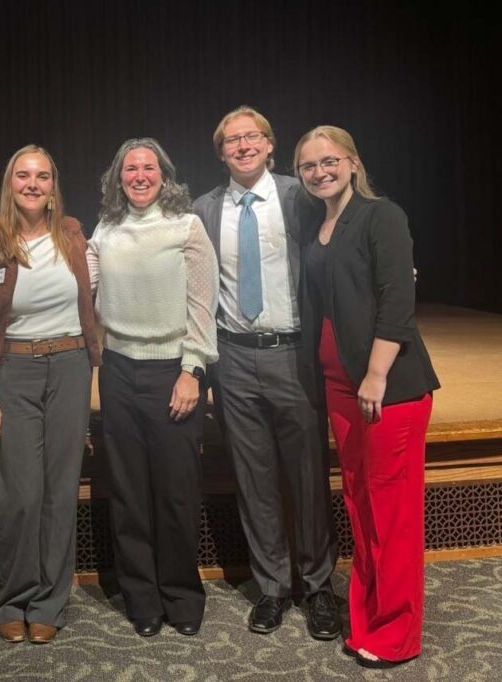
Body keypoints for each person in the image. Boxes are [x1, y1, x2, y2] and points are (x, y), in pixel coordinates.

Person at [191, 106, 341, 640]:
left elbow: (349, 228)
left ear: (271, 145)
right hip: (232, 358)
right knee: (253, 478)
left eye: (252, 136)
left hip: (294, 355)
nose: (243, 145)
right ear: (221, 151)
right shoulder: (203, 210)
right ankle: (272, 587)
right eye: (232, 139)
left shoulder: (300, 194)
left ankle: (319, 585)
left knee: (306, 474)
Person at [294, 125, 439, 669]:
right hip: (338, 388)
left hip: (387, 389)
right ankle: (368, 619)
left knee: (392, 513)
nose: (319, 171)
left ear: (353, 162)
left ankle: (397, 634)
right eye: (308, 166)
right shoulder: (318, 225)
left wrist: (376, 374)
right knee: (361, 507)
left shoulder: (382, 215)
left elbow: (398, 298)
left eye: (329, 161)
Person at [0, 145, 101, 645]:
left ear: (54, 184)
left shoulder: (72, 235)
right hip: (14, 370)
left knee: (61, 491)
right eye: (24, 175)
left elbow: (92, 303)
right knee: (20, 494)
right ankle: (13, 598)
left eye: (43, 176)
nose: (33, 184)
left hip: (70, 366)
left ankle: (49, 600)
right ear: (10, 182)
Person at [88, 138, 218, 637]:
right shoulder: (107, 227)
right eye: (129, 168)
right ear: (117, 178)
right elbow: (80, 280)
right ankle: (141, 596)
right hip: (119, 371)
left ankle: (182, 594)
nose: (139, 175)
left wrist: (194, 371)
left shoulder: (187, 226)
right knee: (128, 490)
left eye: (148, 167)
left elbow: (203, 306)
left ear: (164, 174)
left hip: (174, 373)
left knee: (177, 490)